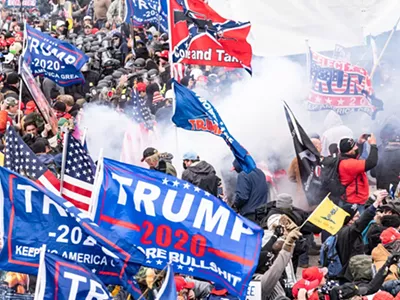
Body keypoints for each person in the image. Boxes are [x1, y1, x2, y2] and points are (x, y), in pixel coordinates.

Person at [335, 190, 387, 282]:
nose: (359, 218)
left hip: (349, 271)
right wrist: (375, 203)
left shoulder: (343, 230)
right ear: (349, 220)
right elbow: (362, 221)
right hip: (350, 275)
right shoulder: (348, 233)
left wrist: (372, 200)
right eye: (356, 216)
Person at [338, 135, 378, 206]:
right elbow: (371, 162)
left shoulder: (344, 158)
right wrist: (373, 145)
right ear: (349, 152)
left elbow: (356, 155)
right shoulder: (348, 164)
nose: (356, 148)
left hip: (352, 199)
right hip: (354, 201)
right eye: (354, 147)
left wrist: (360, 143)